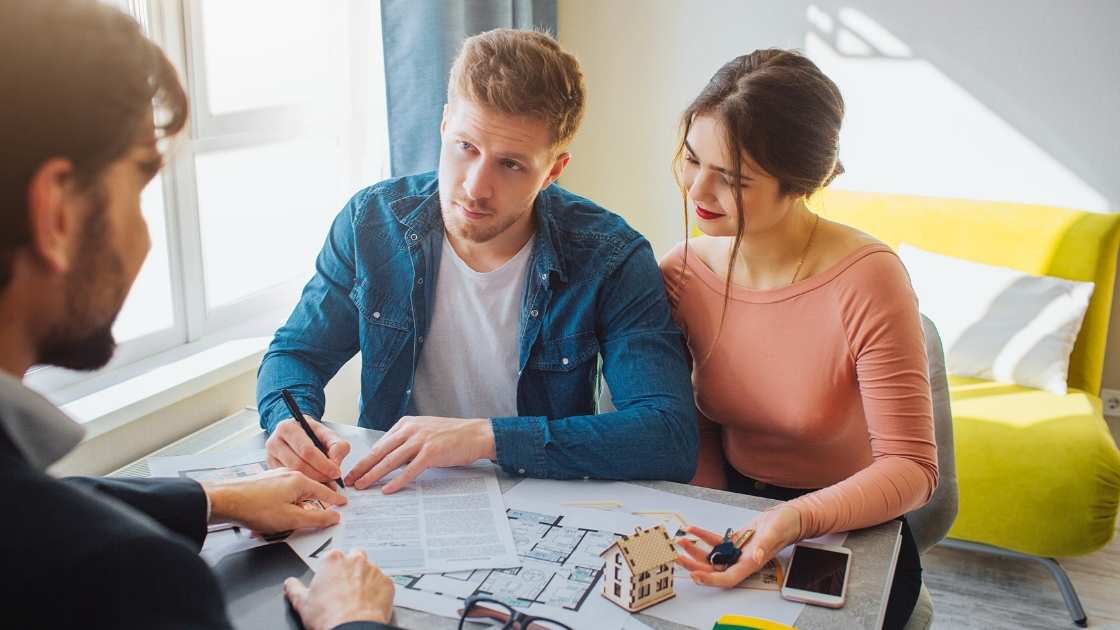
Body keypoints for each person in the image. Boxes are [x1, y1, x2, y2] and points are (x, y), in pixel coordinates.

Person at [0, 2, 398, 628]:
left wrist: (217, 499)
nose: (145, 240)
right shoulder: (135, 579)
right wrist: (355, 622)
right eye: (137, 191)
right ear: (57, 215)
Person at [258, 29, 697, 494]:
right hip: (397, 494)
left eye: (510, 165)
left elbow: (669, 436)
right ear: (445, 125)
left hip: (543, 497)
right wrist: (291, 420)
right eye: (466, 147)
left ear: (553, 170)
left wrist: (484, 438)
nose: (474, 187)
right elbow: (296, 353)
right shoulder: (371, 222)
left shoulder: (610, 254)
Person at [659, 50, 938, 629]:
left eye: (733, 179)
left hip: (851, 521)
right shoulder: (683, 273)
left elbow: (911, 467)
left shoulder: (868, 277)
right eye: (691, 159)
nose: (698, 189)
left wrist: (790, 521)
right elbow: (701, 422)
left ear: (799, 183)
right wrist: (716, 510)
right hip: (738, 508)